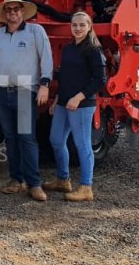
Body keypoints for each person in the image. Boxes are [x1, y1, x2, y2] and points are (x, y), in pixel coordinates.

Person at [0, 0, 53, 201]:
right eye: (8, 10)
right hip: (2, 93)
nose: (12, 13)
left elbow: (46, 58)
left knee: (27, 137)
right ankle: (16, 179)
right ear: (4, 14)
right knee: (10, 138)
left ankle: (34, 183)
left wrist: (45, 84)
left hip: (25, 91)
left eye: (16, 9)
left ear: (22, 11)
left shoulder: (36, 31)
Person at [44, 12, 106, 201]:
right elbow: (64, 77)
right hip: (63, 102)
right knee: (55, 140)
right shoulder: (69, 48)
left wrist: (78, 98)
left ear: (89, 27)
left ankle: (86, 187)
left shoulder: (94, 50)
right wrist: (56, 99)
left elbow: (100, 80)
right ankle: (63, 180)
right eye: (74, 25)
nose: (77, 29)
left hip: (82, 105)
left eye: (81, 25)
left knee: (82, 145)